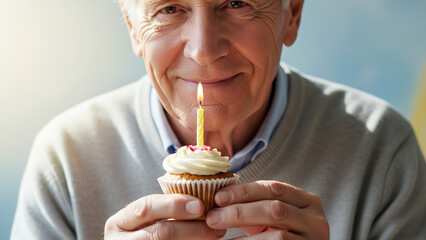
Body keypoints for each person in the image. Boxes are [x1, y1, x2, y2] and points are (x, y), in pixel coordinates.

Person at [11, 0, 426, 239]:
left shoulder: (380, 149)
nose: (204, 50)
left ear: (292, 13)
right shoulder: (67, 159)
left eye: (237, 3)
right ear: (134, 27)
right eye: (170, 7)